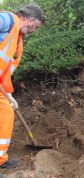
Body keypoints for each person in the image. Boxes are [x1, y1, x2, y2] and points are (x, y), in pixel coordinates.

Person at [0, 4, 45, 169]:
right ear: (30, 19)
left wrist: (9, 95)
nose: (34, 31)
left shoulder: (16, 38)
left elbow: (4, 71)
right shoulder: (8, 20)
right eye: (36, 27)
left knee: (6, 114)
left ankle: (0, 160)